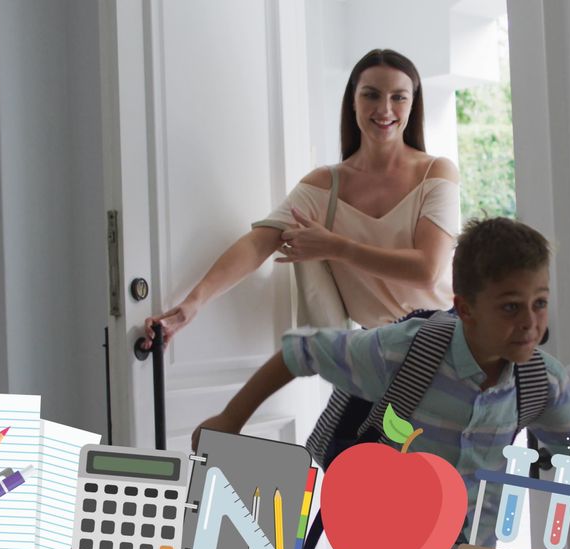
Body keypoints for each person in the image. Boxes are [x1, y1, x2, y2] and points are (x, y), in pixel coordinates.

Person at [193, 218, 570, 549]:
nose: (530, 322)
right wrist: (231, 419)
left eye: (540, 303)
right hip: (394, 543)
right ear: (466, 308)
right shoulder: (407, 351)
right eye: (511, 306)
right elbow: (300, 352)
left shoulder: (539, 379)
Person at [143, 48, 459, 348]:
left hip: (441, 347)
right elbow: (257, 244)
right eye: (371, 94)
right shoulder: (325, 185)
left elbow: (427, 270)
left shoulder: (436, 172)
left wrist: (337, 247)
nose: (385, 109)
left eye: (398, 97)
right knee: (370, 409)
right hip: (377, 354)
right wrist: (193, 303)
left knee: (385, 409)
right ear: (353, 101)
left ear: (412, 104)